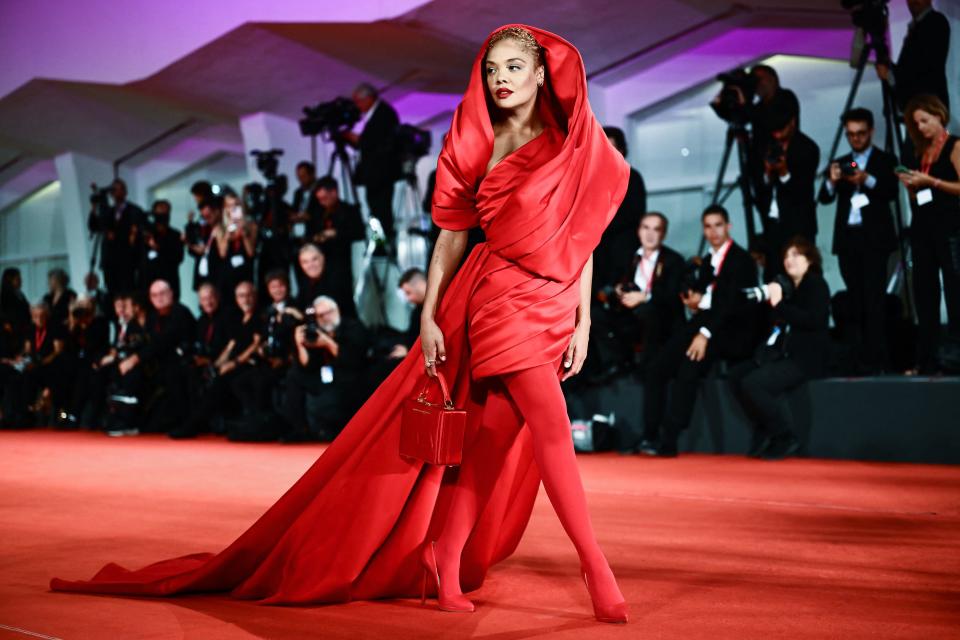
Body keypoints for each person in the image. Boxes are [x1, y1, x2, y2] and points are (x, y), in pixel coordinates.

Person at [51, 25, 631, 625]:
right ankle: (595, 564)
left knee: (490, 443)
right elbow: (450, 238)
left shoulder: (571, 145)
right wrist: (429, 315)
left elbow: (581, 241)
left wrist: (585, 319)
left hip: (555, 298)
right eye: (491, 69)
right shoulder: (474, 139)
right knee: (553, 431)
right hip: (497, 297)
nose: (501, 78)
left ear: (541, 73)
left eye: (513, 67)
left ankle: (444, 553)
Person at [642, 205, 759, 457]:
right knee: (657, 367)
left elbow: (732, 305)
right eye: (708, 226)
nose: (713, 231)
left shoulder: (743, 260)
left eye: (718, 225)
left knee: (688, 367)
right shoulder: (706, 260)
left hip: (730, 330)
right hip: (703, 323)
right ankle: (649, 435)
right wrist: (694, 302)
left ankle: (669, 438)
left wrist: (704, 332)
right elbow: (705, 297)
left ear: (728, 226)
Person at [729, 237, 830, 460]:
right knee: (736, 375)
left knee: (753, 383)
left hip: (805, 358)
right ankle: (765, 428)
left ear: (810, 260)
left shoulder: (815, 284)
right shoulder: (789, 287)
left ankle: (784, 435)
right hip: (781, 354)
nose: (789, 260)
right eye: (786, 256)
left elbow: (813, 320)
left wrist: (779, 304)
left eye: (796, 255)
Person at [818, 107, 899, 373]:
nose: (856, 139)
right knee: (855, 300)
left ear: (871, 131)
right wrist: (831, 181)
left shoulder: (885, 160)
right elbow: (825, 197)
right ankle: (860, 357)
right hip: (848, 240)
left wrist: (868, 179)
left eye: (861, 134)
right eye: (851, 135)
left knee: (874, 299)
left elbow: (890, 192)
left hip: (874, 240)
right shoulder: (841, 161)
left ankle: (879, 359)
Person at [608, 212, 685, 453]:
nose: (650, 233)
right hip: (632, 321)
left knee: (650, 315)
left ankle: (650, 435)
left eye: (656, 229)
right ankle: (617, 361)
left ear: (663, 234)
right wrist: (621, 293)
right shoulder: (631, 259)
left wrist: (645, 297)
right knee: (598, 317)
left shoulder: (674, 261)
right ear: (639, 230)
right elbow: (618, 284)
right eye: (646, 227)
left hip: (664, 326)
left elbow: (673, 299)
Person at [897, 95, 960, 374]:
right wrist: (911, 184)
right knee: (924, 290)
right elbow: (917, 195)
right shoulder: (917, 151)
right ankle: (928, 356)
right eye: (916, 123)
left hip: (950, 226)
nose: (921, 127)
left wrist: (931, 181)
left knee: (954, 288)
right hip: (923, 225)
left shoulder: (954, 145)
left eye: (925, 120)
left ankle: (955, 352)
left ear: (939, 116)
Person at [279, 296, 370, 442]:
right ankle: (299, 429)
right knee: (293, 375)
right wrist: (300, 345)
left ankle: (332, 430)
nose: (325, 318)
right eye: (320, 315)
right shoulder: (314, 331)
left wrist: (328, 343)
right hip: (322, 376)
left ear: (337, 310)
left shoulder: (353, 327)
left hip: (349, 377)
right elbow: (307, 365)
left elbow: (354, 360)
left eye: (328, 312)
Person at [755, 97, 820, 279]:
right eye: (774, 130)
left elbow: (803, 192)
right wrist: (767, 174)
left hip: (798, 227)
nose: (777, 135)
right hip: (773, 227)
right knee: (774, 280)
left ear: (792, 122)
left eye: (781, 129)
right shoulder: (767, 146)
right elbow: (759, 188)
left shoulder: (807, 148)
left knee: (800, 279)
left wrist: (784, 173)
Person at [343, 82, 402, 249]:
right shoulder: (379, 114)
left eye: (358, 101)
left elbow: (379, 143)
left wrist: (357, 140)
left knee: (381, 210)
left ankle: (382, 243)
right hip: (376, 175)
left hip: (381, 175)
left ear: (368, 98)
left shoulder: (384, 114)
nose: (357, 106)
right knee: (376, 210)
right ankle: (380, 242)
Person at [593, 127, 646, 287]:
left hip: (623, 249)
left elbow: (634, 214)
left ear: (621, 150)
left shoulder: (633, 177)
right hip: (597, 249)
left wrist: (600, 225)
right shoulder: (593, 178)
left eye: (612, 148)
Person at [876, 0, 951, 112]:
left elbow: (923, 68)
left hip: (928, 107)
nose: (914, 1)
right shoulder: (918, 25)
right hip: (918, 107)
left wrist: (890, 75)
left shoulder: (935, 22)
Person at [88, 179, 144, 296]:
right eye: (113, 190)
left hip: (127, 260)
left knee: (128, 292)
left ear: (125, 192)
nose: (116, 192)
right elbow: (94, 226)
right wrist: (94, 206)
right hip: (110, 260)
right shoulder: (108, 212)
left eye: (119, 189)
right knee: (112, 294)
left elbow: (136, 233)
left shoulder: (134, 210)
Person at [294, 243, 357, 319]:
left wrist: (304, 314)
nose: (310, 265)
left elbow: (326, 311)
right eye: (305, 262)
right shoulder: (305, 283)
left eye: (314, 259)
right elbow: (300, 306)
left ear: (322, 258)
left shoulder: (336, 279)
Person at [138, 200, 184, 297]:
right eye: (160, 214)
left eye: (166, 213)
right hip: (147, 284)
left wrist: (158, 248)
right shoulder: (145, 234)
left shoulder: (175, 235)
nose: (163, 216)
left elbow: (178, 258)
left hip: (169, 283)